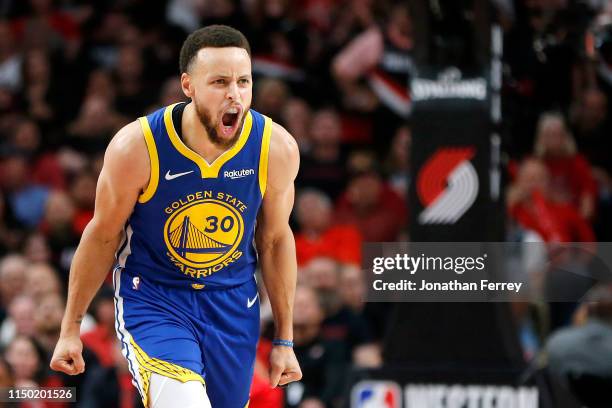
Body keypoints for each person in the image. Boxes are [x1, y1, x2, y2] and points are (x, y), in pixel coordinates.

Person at [50, 25, 302, 408]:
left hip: (233, 303)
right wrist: (70, 329)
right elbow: (102, 236)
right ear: (189, 86)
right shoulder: (137, 147)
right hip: (155, 298)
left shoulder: (276, 147)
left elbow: (275, 240)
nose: (234, 94)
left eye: (244, 81)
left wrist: (284, 339)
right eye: (219, 82)